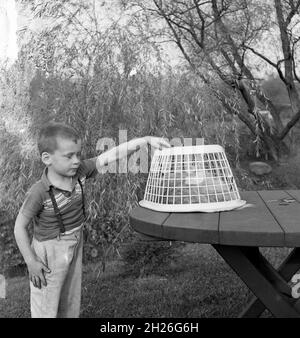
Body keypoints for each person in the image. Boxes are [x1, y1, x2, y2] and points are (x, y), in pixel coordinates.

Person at [14, 122, 170, 318]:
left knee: (70, 298)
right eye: (69, 156)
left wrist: (144, 141)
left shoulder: (79, 172)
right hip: (49, 249)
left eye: (78, 154)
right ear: (47, 158)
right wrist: (31, 261)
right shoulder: (39, 191)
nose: (76, 161)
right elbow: (19, 226)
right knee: (46, 304)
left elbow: (110, 156)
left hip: (74, 241)